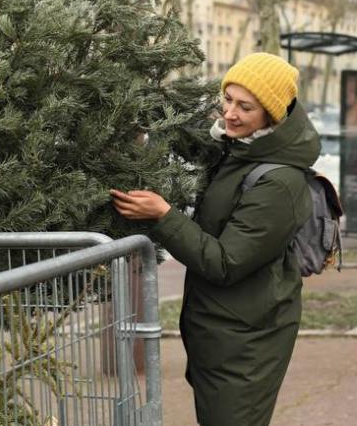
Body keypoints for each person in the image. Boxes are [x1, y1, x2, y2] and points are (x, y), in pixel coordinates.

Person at [110, 52, 320, 425]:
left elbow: (226, 263)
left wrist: (163, 215)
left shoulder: (279, 182)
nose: (231, 113)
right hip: (223, 335)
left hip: (246, 345)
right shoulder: (238, 150)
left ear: (272, 114)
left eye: (246, 106)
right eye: (228, 99)